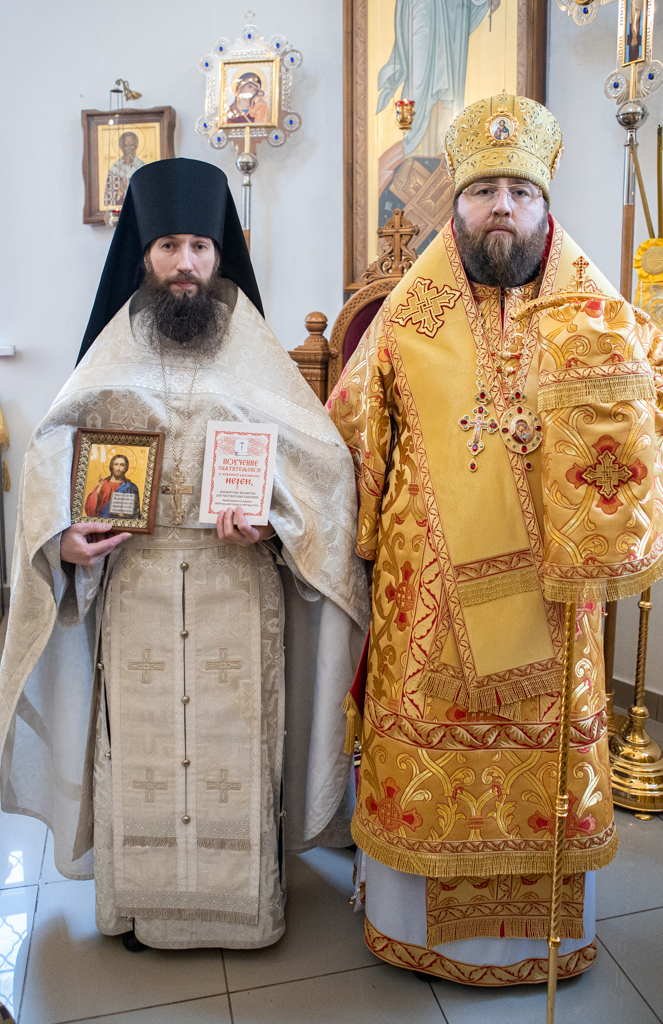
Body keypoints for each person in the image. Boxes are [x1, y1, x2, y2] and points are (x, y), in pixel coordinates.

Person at [328, 93, 663, 984]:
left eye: (519, 190)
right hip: (427, 608)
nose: (501, 208)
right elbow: (351, 438)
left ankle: (537, 941)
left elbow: (648, 422)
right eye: (483, 192)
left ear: (545, 203)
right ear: (458, 206)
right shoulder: (405, 319)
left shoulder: (601, 317)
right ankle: (416, 929)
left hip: (551, 605)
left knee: (539, 762)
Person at [0, 158, 368, 951]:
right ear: (143, 253)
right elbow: (51, 449)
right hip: (134, 585)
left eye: (200, 246)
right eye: (169, 245)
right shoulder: (112, 347)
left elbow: (324, 466)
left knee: (236, 743)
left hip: (238, 590)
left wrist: (275, 520)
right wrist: (63, 533)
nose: (186, 264)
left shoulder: (254, 348)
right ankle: (140, 908)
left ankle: (243, 911)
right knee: (143, 744)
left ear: (219, 252)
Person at [84, 453, 140, 518]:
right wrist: (98, 490)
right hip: (102, 521)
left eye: (122, 465)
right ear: (111, 466)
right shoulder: (103, 484)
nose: (118, 468)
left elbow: (136, 512)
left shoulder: (130, 487)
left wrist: (127, 514)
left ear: (125, 468)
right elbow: (90, 508)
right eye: (116, 464)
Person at [103, 132, 145, 208]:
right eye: (126, 146)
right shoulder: (115, 168)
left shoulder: (142, 166)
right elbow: (109, 196)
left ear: (136, 146)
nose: (129, 149)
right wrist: (119, 192)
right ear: (121, 147)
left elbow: (147, 191)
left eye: (131, 145)